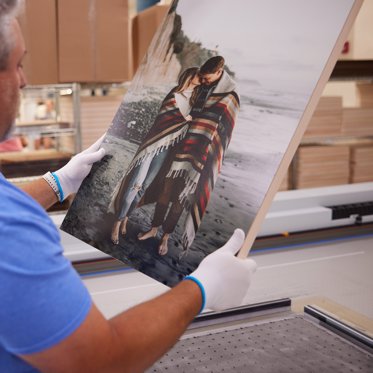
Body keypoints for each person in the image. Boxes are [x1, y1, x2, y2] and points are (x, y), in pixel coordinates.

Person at [0, 2, 257, 372]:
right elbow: (99, 360)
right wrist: (201, 289)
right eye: (19, 65)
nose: (24, 80)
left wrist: (57, 183)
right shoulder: (11, 232)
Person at [138, 56, 240, 257]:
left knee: (180, 198)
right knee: (166, 189)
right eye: (202, 77)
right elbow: (184, 104)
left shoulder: (230, 97)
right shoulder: (201, 85)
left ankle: (165, 237)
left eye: (207, 77)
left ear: (219, 72)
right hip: (181, 145)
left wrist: (212, 155)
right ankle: (153, 228)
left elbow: (226, 132)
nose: (204, 81)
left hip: (201, 153)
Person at [109, 67, 201, 244]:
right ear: (189, 76)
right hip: (152, 146)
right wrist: (184, 119)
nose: (200, 78)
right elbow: (163, 119)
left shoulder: (195, 100)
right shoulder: (174, 94)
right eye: (197, 75)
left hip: (166, 150)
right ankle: (117, 221)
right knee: (135, 184)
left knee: (144, 186)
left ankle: (126, 217)